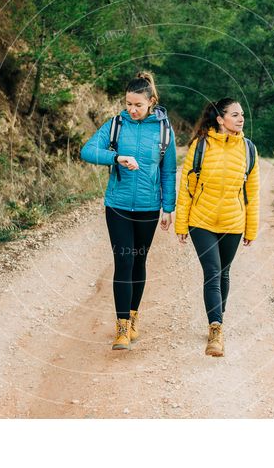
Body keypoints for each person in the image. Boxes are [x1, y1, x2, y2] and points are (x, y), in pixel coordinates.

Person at [80, 71, 177, 350]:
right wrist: (116, 157)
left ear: (151, 102)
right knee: (123, 262)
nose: (132, 110)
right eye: (128, 104)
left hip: (149, 207)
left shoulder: (163, 130)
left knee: (138, 262)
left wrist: (168, 207)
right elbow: (87, 151)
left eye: (138, 105)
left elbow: (168, 171)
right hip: (118, 206)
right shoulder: (115, 125)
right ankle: (121, 328)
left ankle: (133, 319)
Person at [175, 98, 259, 357]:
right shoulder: (200, 146)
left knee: (223, 273)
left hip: (233, 223)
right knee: (212, 272)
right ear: (220, 119)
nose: (241, 118)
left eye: (242, 114)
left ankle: (216, 319)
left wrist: (251, 228)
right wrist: (181, 223)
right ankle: (216, 330)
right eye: (235, 114)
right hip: (201, 221)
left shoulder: (248, 149)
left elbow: (252, 193)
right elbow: (186, 190)